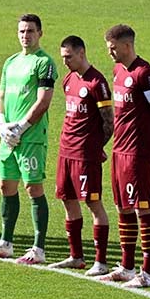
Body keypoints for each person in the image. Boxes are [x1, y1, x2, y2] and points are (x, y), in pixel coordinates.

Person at [0, 14, 57, 265]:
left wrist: (21, 127)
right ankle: (5, 242)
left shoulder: (44, 62)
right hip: (9, 136)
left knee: (33, 187)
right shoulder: (11, 62)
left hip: (31, 136)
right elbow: (0, 96)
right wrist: (1, 125)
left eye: (31, 31)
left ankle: (39, 248)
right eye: (22, 31)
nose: (26, 35)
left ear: (40, 33)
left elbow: (43, 101)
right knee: (5, 186)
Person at [99, 24, 150, 287]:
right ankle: (127, 267)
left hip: (137, 150)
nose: (110, 53)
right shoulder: (118, 71)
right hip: (119, 148)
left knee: (142, 208)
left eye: (113, 48)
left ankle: (148, 273)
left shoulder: (145, 73)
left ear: (127, 45)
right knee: (122, 207)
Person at [48, 36, 114, 275]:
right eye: (63, 56)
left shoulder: (97, 83)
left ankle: (101, 261)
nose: (65, 61)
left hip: (86, 155)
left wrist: (97, 148)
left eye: (69, 56)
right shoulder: (68, 80)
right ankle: (76, 256)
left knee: (93, 203)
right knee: (68, 200)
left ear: (82, 53)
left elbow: (109, 122)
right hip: (66, 151)